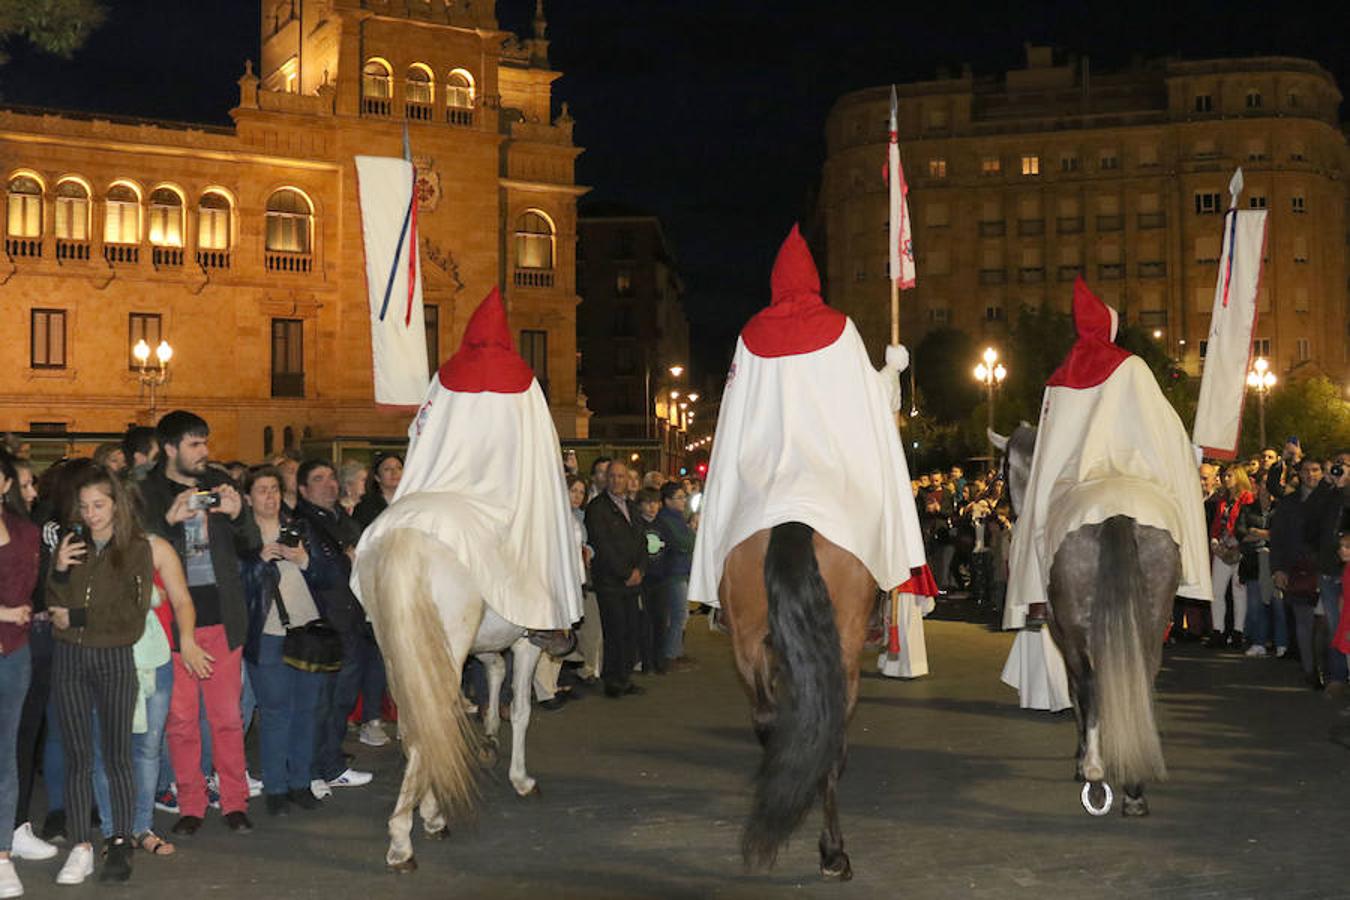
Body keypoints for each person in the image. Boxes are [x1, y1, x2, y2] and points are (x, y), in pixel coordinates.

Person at [687, 224, 930, 642]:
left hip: (766, 473)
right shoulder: (840, 327)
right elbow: (869, 399)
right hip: (828, 470)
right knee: (872, 505)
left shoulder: (751, 334)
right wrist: (893, 370)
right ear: (816, 280)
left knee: (729, 504)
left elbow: (735, 418)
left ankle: (722, 601)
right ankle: (877, 605)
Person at [1002, 278, 1210, 707]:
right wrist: (1183, 454)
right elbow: (1161, 427)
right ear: (1112, 328)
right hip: (1135, 474)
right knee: (1176, 494)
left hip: (1080, 479)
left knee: (1039, 518)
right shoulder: (1132, 367)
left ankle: (1036, 597)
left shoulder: (1059, 379)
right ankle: (1189, 568)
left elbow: (1052, 448)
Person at [138, 410, 259, 836]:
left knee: (227, 718)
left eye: (205, 442)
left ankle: (234, 801)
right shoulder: (147, 491)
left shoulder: (219, 481)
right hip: (171, 624)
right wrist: (168, 523)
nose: (204, 452)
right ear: (170, 448)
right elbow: (135, 551)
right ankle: (191, 803)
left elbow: (252, 546)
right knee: (182, 720)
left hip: (223, 620)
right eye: (194, 444)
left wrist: (238, 510)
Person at [46, 466, 153, 884]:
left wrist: (76, 616)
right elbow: (52, 604)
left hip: (113, 659)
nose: (91, 514)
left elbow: (132, 617)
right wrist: (57, 569)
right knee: (77, 757)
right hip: (69, 658)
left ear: (117, 505)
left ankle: (120, 842)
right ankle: (80, 844)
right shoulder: (73, 544)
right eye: (85, 506)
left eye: (99, 505)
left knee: (116, 755)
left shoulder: (137, 548)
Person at [240, 466, 337, 815]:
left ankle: (300, 782)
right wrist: (257, 562)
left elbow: (332, 575)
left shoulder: (302, 527)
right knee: (276, 712)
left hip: (308, 630)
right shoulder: (241, 534)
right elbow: (234, 584)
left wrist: (306, 560)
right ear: (248, 497)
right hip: (267, 635)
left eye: (274, 489)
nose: (270, 496)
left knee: (307, 711)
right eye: (262, 490)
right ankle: (276, 788)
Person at [293, 461, 382, 778]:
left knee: (341, 700)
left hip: (351, 619)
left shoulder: (343, 519)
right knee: (322, 702)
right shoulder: (303, 523)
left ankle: (330, 761)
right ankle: (318, 769)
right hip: (323, 624)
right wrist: (346, 562)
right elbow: (313, 572)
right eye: (318, 479)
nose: (329, 484)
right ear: (303, 489)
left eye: (331, 477)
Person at [0, 451, 49, 899]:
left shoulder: (26, 533)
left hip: (13, 654)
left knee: (6, 755)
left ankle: (2, 853)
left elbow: (25, 595)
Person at [586, 460, 647, 697]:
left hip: (633, 580)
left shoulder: (632, 507)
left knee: (631, 630)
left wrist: (640, 570)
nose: (616, 481)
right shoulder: (597, 508)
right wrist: (625, 573)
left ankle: (625, 677)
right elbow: (603, 545)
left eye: (621, 477)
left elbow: (641, 541)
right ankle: (613, 681)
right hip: (611, 582)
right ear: (605, 479)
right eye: (612, 476)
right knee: (615, 631)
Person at [1268, 457, 1325, 688]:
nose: (1311, 475)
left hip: (1328, 569)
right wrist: (1278, 569)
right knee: (1304, 621)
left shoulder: (1333, 499)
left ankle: (1329, 669)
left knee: (1327, 623)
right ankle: (1311, 670)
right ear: (1299, 474)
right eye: (1306, 471)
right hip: (1297, 568)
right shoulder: (1289, 503)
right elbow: (1278, 537)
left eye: (1316, 470)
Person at [1306, 452, 1350, 689]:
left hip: (1347, 569)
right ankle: (1337, 675)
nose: (1340, 469)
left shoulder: (1346, 494)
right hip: (1328, 569)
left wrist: (1345, 487)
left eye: (1345, 465)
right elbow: (1310, 515)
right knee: (1335, 625)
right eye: (1337, 464)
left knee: (1346, 625)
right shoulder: (1330, 493)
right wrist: (1326, 483)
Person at [1207, 464, 1255, 649]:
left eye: (1229, 476)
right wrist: (1214, 541)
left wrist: (1237, 542)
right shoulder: (1222, 500)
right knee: (1217, 592)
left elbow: (1246, 524)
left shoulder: (1247, 498)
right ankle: (1218, 630)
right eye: (1224, 476)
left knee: (1239, 591)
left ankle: (1238, 631)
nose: (1225, 479)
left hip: (1239, 549)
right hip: (1222, 548)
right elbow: (1217, 523)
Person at [654, 481, 696, 671]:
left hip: (680, 570)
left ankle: (676, 651)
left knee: (679, 614)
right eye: (679, 497)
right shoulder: (666, 520)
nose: (683, 501)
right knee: (679, 614)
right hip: (672, 573)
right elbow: (682, 542)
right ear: (667, 501)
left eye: (683, 497)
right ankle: (670, 654)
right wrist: (691, 538)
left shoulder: (678, 518)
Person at [352, 452, 402, 528]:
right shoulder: (365, 506)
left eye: (399, 468)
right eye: (387, 469)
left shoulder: (412, 500)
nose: (395, 473)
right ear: (377, 477)